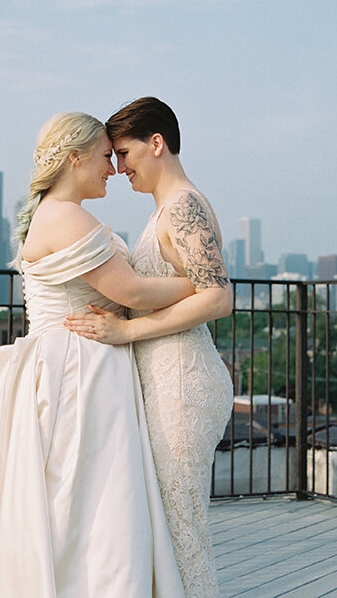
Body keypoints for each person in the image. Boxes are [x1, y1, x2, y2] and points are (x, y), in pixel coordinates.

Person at [0, 112, 189, 598]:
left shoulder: (53, 213)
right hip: (80, 372)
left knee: (68, 505)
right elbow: (131, 291)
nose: (111, 170)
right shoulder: (68, 217)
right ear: (74, 158)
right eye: (102, 158)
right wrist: (200, 285)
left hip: (68, 364)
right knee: (91, 504)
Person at [65, 97, 234, 598]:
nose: (117, 168)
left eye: (122, 153)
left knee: (182, 533)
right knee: (166, 530)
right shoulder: (167, 209)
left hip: (182, 385)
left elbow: (219, 297)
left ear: (156, 143)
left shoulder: (184, 207)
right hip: (164, 381)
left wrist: (126, 332)